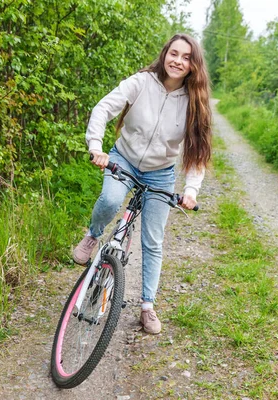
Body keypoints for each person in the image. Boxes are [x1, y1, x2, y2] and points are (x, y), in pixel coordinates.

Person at [72, 33, 212, 334]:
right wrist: (96, 146)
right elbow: (103, 109)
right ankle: (93, 235)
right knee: (110, 201)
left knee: (153, 240)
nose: (177, 60)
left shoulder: (193, 101)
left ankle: (147, 306)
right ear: (164, 54)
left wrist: (190, 191)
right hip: (123, 158)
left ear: (192, 65)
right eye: (173, 53)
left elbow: (197, 152)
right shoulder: (141, 82)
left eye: (186, 57)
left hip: (160, 172)